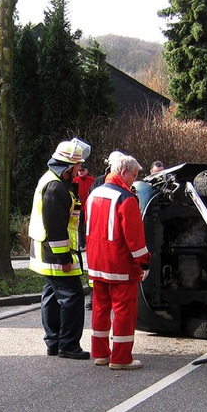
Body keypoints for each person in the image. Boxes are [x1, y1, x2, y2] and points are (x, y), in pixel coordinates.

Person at [86, 153, 152, 370]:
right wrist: (144, 262)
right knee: (124, 310)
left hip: (97, 263)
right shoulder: (126, 199)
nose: (134, 180)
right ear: (123, 173)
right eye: (134, 175)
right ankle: (121, 358)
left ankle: (101, 353)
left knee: (100, 308)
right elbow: (135, 238)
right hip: (120, 265)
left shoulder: (94, 193)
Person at [29, 138, 92, 359]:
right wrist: (64, 257)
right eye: (77, 166)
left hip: (46, 250)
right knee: (72, 297)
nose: (79, 170)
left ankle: (54, 343)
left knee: (51, 295)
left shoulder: (53, 180)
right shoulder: (56, 186)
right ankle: (68, 345)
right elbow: (56, 226)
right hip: (56, 252)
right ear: (67, 166)